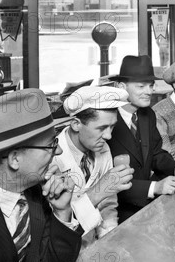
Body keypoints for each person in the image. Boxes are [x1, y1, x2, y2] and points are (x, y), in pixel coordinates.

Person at [0, 89, 82, 262]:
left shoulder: (34, 193)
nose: (58, 151)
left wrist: (62, 211)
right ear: (15, 159)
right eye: (51, 144)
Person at [53, 86, 134, 246]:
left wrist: (109, 238)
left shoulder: (103, 149)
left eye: (112, 127)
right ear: (76, 124)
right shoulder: (53, 159)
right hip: (65, 250)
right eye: (102, 128)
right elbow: (56, 223)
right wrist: (100, 189)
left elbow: (108, 204)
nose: (109, 136)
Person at [109, 55, 175, 222]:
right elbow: (108, 181)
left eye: (151, 85)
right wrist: (155, 187)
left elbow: (157, 154)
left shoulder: (147, 114)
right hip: (116, 211)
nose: (149, 91)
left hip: (146, 206)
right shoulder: (106, 123)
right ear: (121, 87)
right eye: (141, 86)